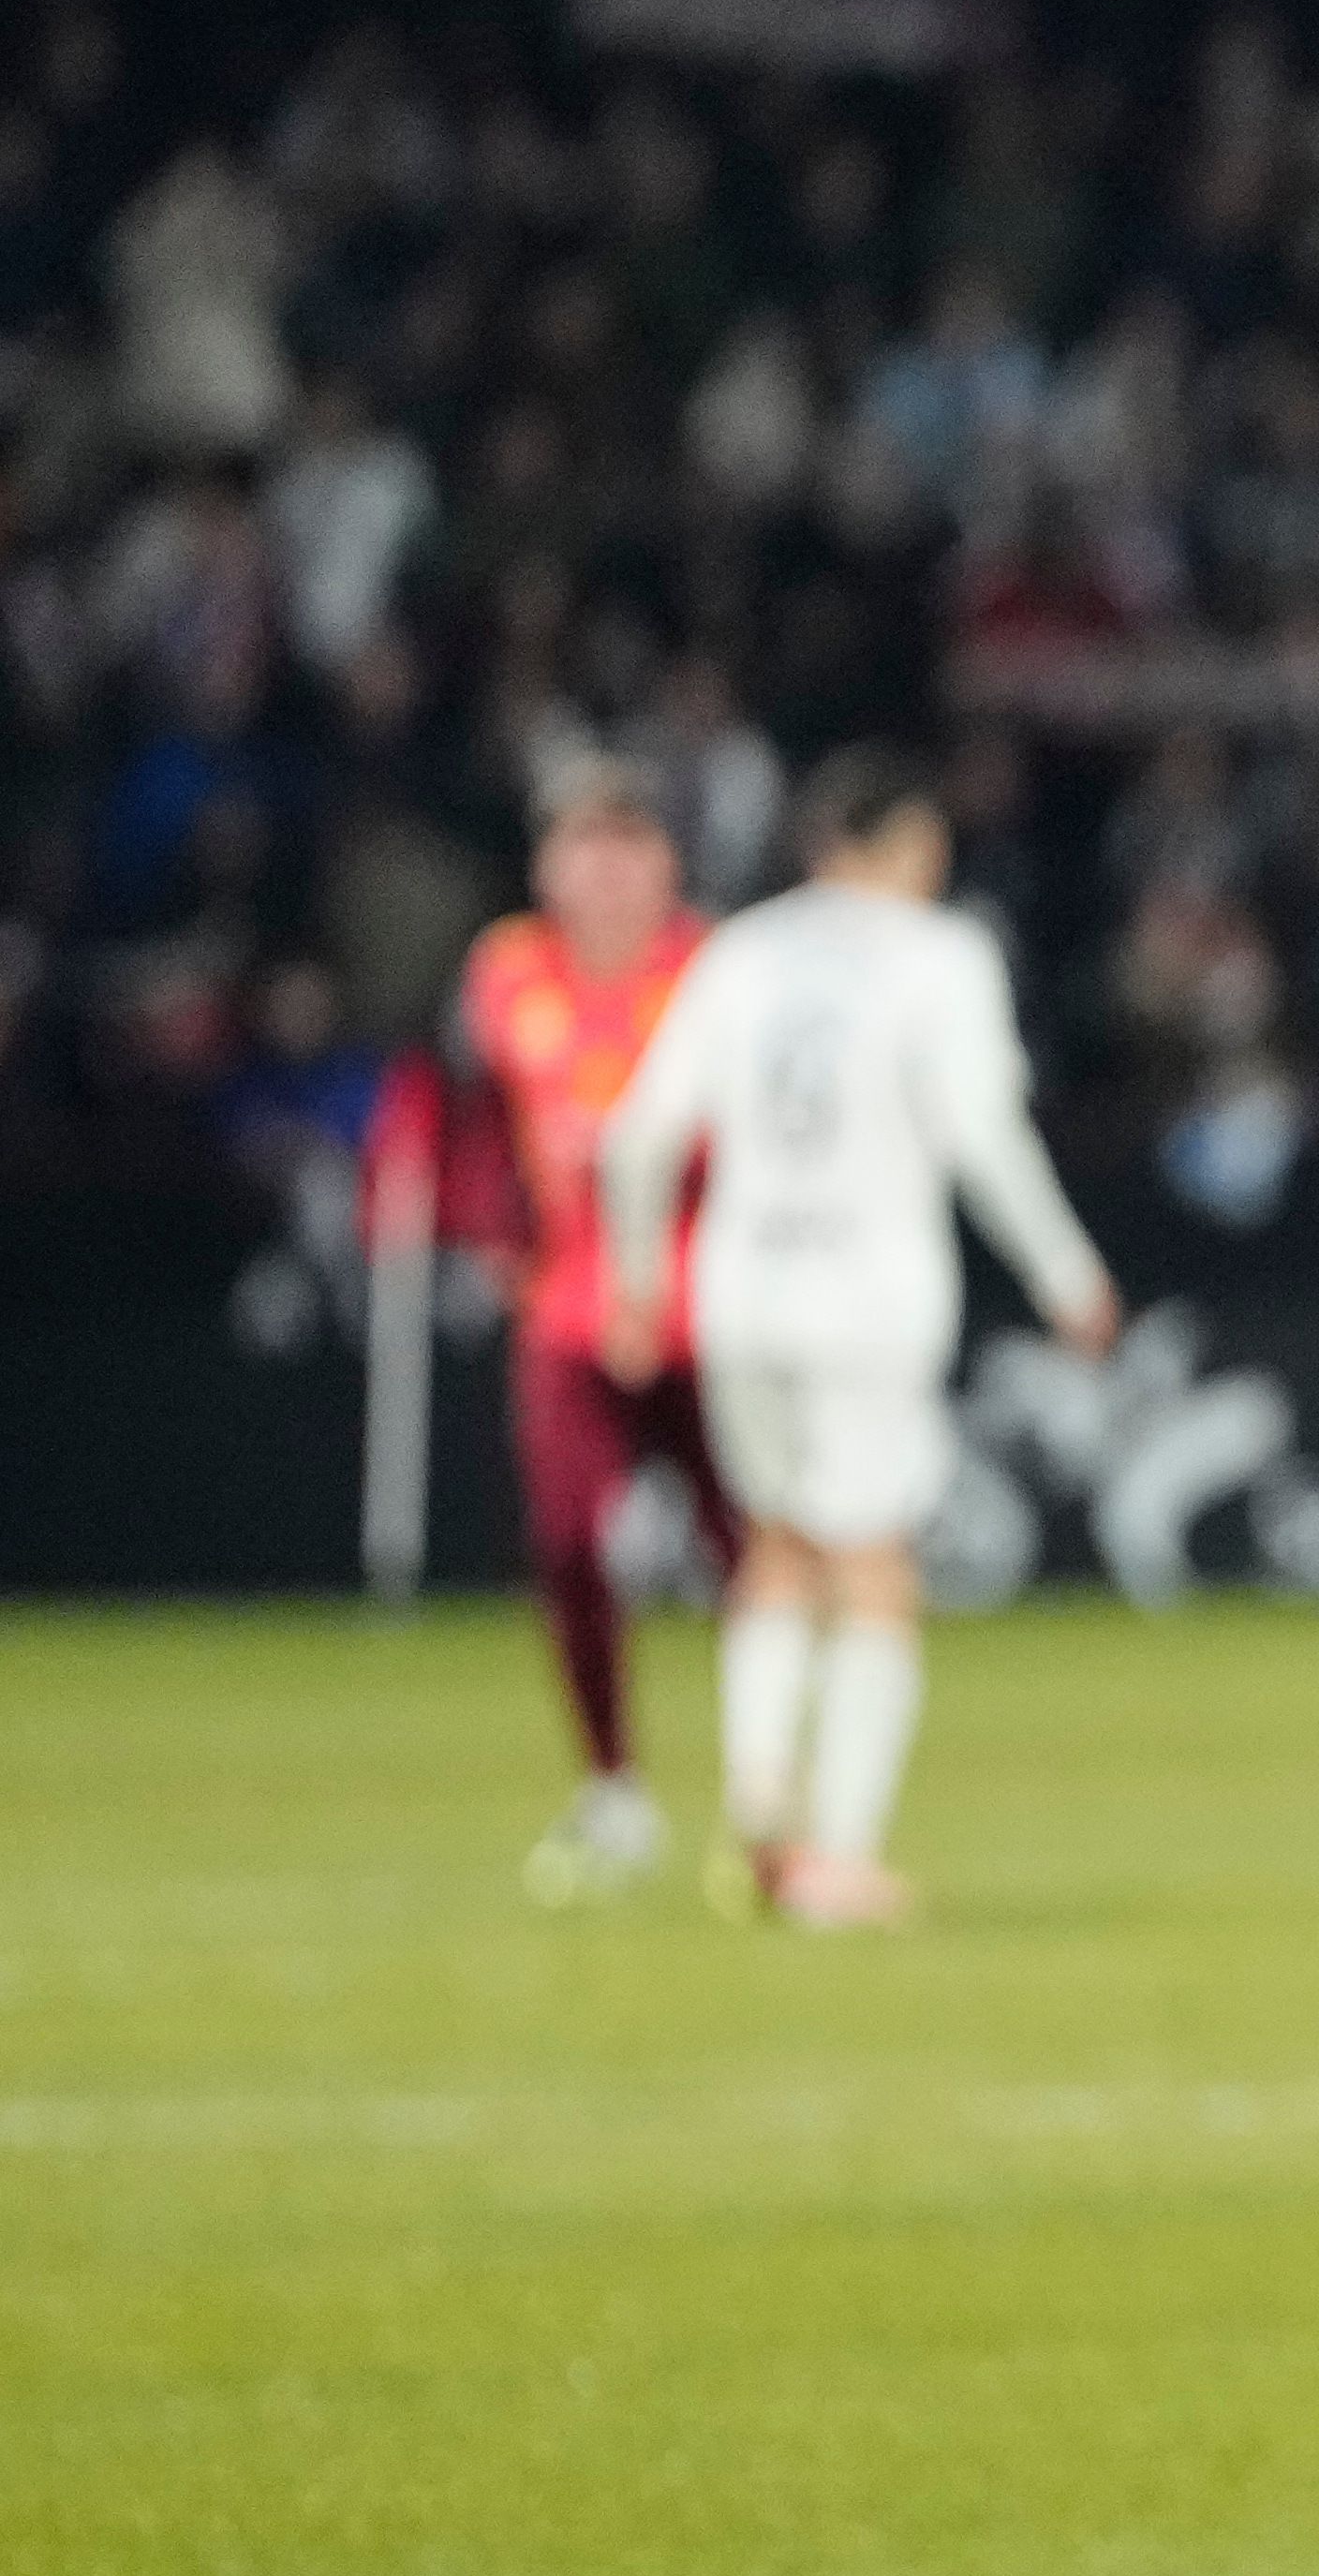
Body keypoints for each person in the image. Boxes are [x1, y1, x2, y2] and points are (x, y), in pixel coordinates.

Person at [592, 747, 1123, 1927]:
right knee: (875, 1561)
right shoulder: (942, 955)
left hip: (741, 1293)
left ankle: (759, 1796)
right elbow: (982, 1132)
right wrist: (1067, 1273)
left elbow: (638, 1136)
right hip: (869, 1296)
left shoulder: (740, 951)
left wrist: (635, 1284)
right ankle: (836, 1856)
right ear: (911, 847)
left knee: (776, 1549)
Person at [433, 757, 739, 1902]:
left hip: (710, 1310)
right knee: (565, 1542)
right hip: (570, 1308)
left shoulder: (714, 971)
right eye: (584, 844)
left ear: (667, 863)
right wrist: (495, 1239)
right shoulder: (507, 972)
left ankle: (779, 1792)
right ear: (546, 864)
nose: (606, 871)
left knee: (752, 1556)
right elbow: (474, 1120)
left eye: (628, 843)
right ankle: (613, 1787)